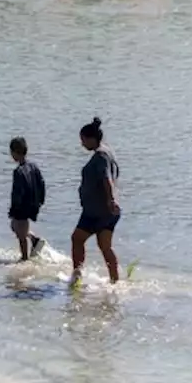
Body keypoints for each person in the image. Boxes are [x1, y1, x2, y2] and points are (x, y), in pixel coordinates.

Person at [70, 118, 121, 286]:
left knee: (77, 239)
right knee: (105, 246)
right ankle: (115, 282)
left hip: (97, 211)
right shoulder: (108, 152)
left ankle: (77, 276)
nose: (82, 144)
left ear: (91, 138)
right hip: (107, 211)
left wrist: (110, 199)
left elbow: (107, 178)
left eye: (83, 140)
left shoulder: (100, 156)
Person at [8, 137, 47, 261]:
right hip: (33, 203)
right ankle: (34, 240)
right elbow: (42, 184)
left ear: (14, 153)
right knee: (15, 226)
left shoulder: (18, 171)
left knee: (20, 235)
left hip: (22, 206)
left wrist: (14, 209)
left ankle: (24, 258)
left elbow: (17, 192)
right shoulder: (33, 166)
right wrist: (41, 200)